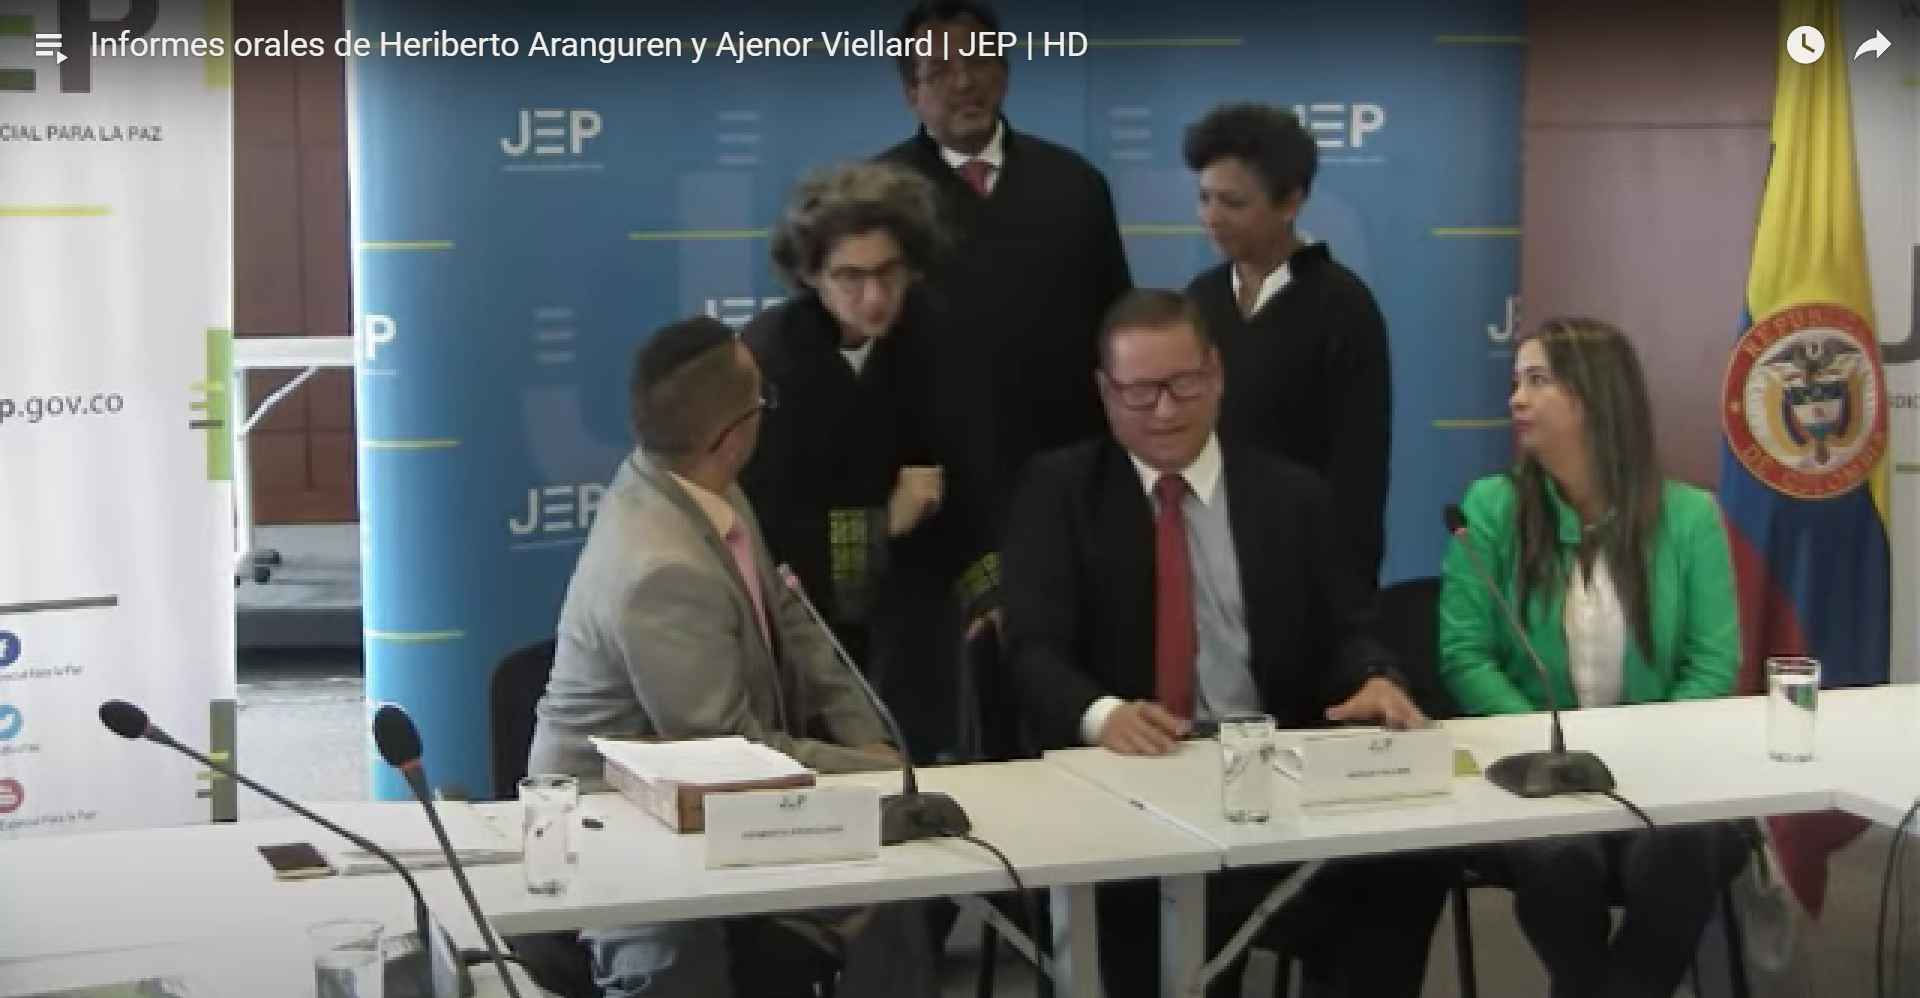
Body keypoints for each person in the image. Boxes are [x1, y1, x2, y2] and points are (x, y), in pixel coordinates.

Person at [1003, 289, 1448, 997]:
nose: (1165, 411)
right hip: (1130, 789)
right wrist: (1103, 715)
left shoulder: (1292, 496)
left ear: (1215, 374)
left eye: (1182, 384)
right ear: (1105, 392)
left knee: (1407, 864)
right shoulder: (1059, 492)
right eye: (1140, 392)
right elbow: (1032, 650)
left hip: (1269, 782)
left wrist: (1373, 675)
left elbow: (1347, 631)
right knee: (1142, 926)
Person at [527, 316, 920, 998]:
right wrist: (877, 774)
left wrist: (871, 744)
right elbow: (729, 754)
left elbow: (795, 623)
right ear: (733, 436)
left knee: (906, 875)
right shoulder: (660, 569)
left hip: (713, 793)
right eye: (762, 400)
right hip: (616, 824)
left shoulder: (705, 485)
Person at [1438, 317, 1747, 998]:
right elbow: (1466, 656)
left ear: (1593, 396)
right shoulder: (1490, 508)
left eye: (1537, 380)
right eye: (1515, 381)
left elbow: (1711, 665)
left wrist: (1639, 751)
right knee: (1562, 859)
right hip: (1531, 772)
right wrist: (1549, 748)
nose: (1516, 399)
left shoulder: (1691, 518)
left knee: (1683, 850)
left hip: (1662, 772)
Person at [740, 161, 995, 764]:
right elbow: (767, 530)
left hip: (918, 623)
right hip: (808, 639)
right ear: (811, 275)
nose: (875, 297)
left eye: (888, 272)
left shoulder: (936, 335)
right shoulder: (770, 359)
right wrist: (887, 522)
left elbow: (974, 473)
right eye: (850, 277)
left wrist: (991, 595)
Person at [879, 0, 1132, 526]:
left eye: (978, 60)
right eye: (940, 71)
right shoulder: (877, 197)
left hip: (1069, 478)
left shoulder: (1075, 184)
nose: (964, 82)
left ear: (1005, 72)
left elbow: (1117, 328)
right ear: (910, 93)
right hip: (932, 490)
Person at [1182, 103, 1391, 582]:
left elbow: (1359, 473)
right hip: (1203, 564)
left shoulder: (1344, 307)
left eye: (1232, 203)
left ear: (1290, 202)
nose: (1212, 217)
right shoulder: (1200, 298)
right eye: (1204, 198)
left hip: (1302, 569)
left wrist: (1346, 594)